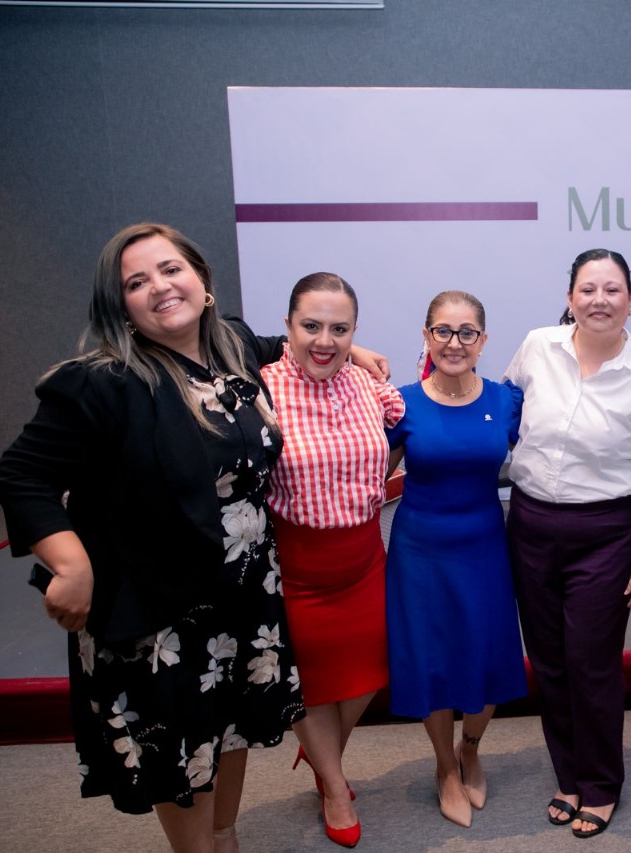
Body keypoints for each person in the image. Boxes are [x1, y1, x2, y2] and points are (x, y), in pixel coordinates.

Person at [0, 223, 304, 853]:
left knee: (231, 729)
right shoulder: (103, 382)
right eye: (136, 282)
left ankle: (225, 838)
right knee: (185, 747)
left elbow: (276, 343)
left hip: (245, 595)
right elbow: (21, 475)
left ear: (202, 279)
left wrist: (357, 353)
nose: (159, 287)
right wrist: (70, 565)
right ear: (121, 306)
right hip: (164, 611)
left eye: (170, 269)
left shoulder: (232, 345)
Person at [504, 248, 631, 839]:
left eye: (612, 290)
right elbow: (500, 409)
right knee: (549, 660)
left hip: (606, 535)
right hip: (530, 524)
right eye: (587, 289)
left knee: (591, 661)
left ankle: (601, 783)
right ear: (570, 296)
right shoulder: (538, 347)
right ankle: (569, 775)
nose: (599, 300)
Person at [261, 272, 404, 849]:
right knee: (313, 682)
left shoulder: (369, 385)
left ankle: (323, 757)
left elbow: (402, 433)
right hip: (296, 566)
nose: (325, 340)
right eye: (311, 326)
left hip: (365, 558)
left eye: (339, 329)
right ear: (288, 327)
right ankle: (335, 786)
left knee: (371, 670)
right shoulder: (260, 389)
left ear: (355, 332)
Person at [383, 290, 528, 828]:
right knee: (433, 660)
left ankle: (471, 748)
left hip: (485, 547)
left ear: (483, 341)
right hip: (420, 554)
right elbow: (369, 474)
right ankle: (445, 766)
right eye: (443, 331)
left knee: (488, 653)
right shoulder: (401, 404)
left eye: (467, 332)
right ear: (427, 336)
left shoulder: (506, 401)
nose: (454, 342)